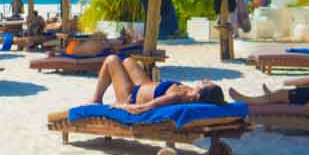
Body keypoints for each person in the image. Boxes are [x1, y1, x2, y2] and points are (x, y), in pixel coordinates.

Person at [92, 55, 226, 110]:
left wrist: (122, 106)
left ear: (199, 94)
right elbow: (219, 101)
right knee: (128, 61)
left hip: (131, 96)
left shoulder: (177, 97)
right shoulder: (190, 92)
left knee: (112, 60)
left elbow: (145, 107)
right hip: (144, 85)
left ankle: (96, 99)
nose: (205, 80)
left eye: (206, 83)